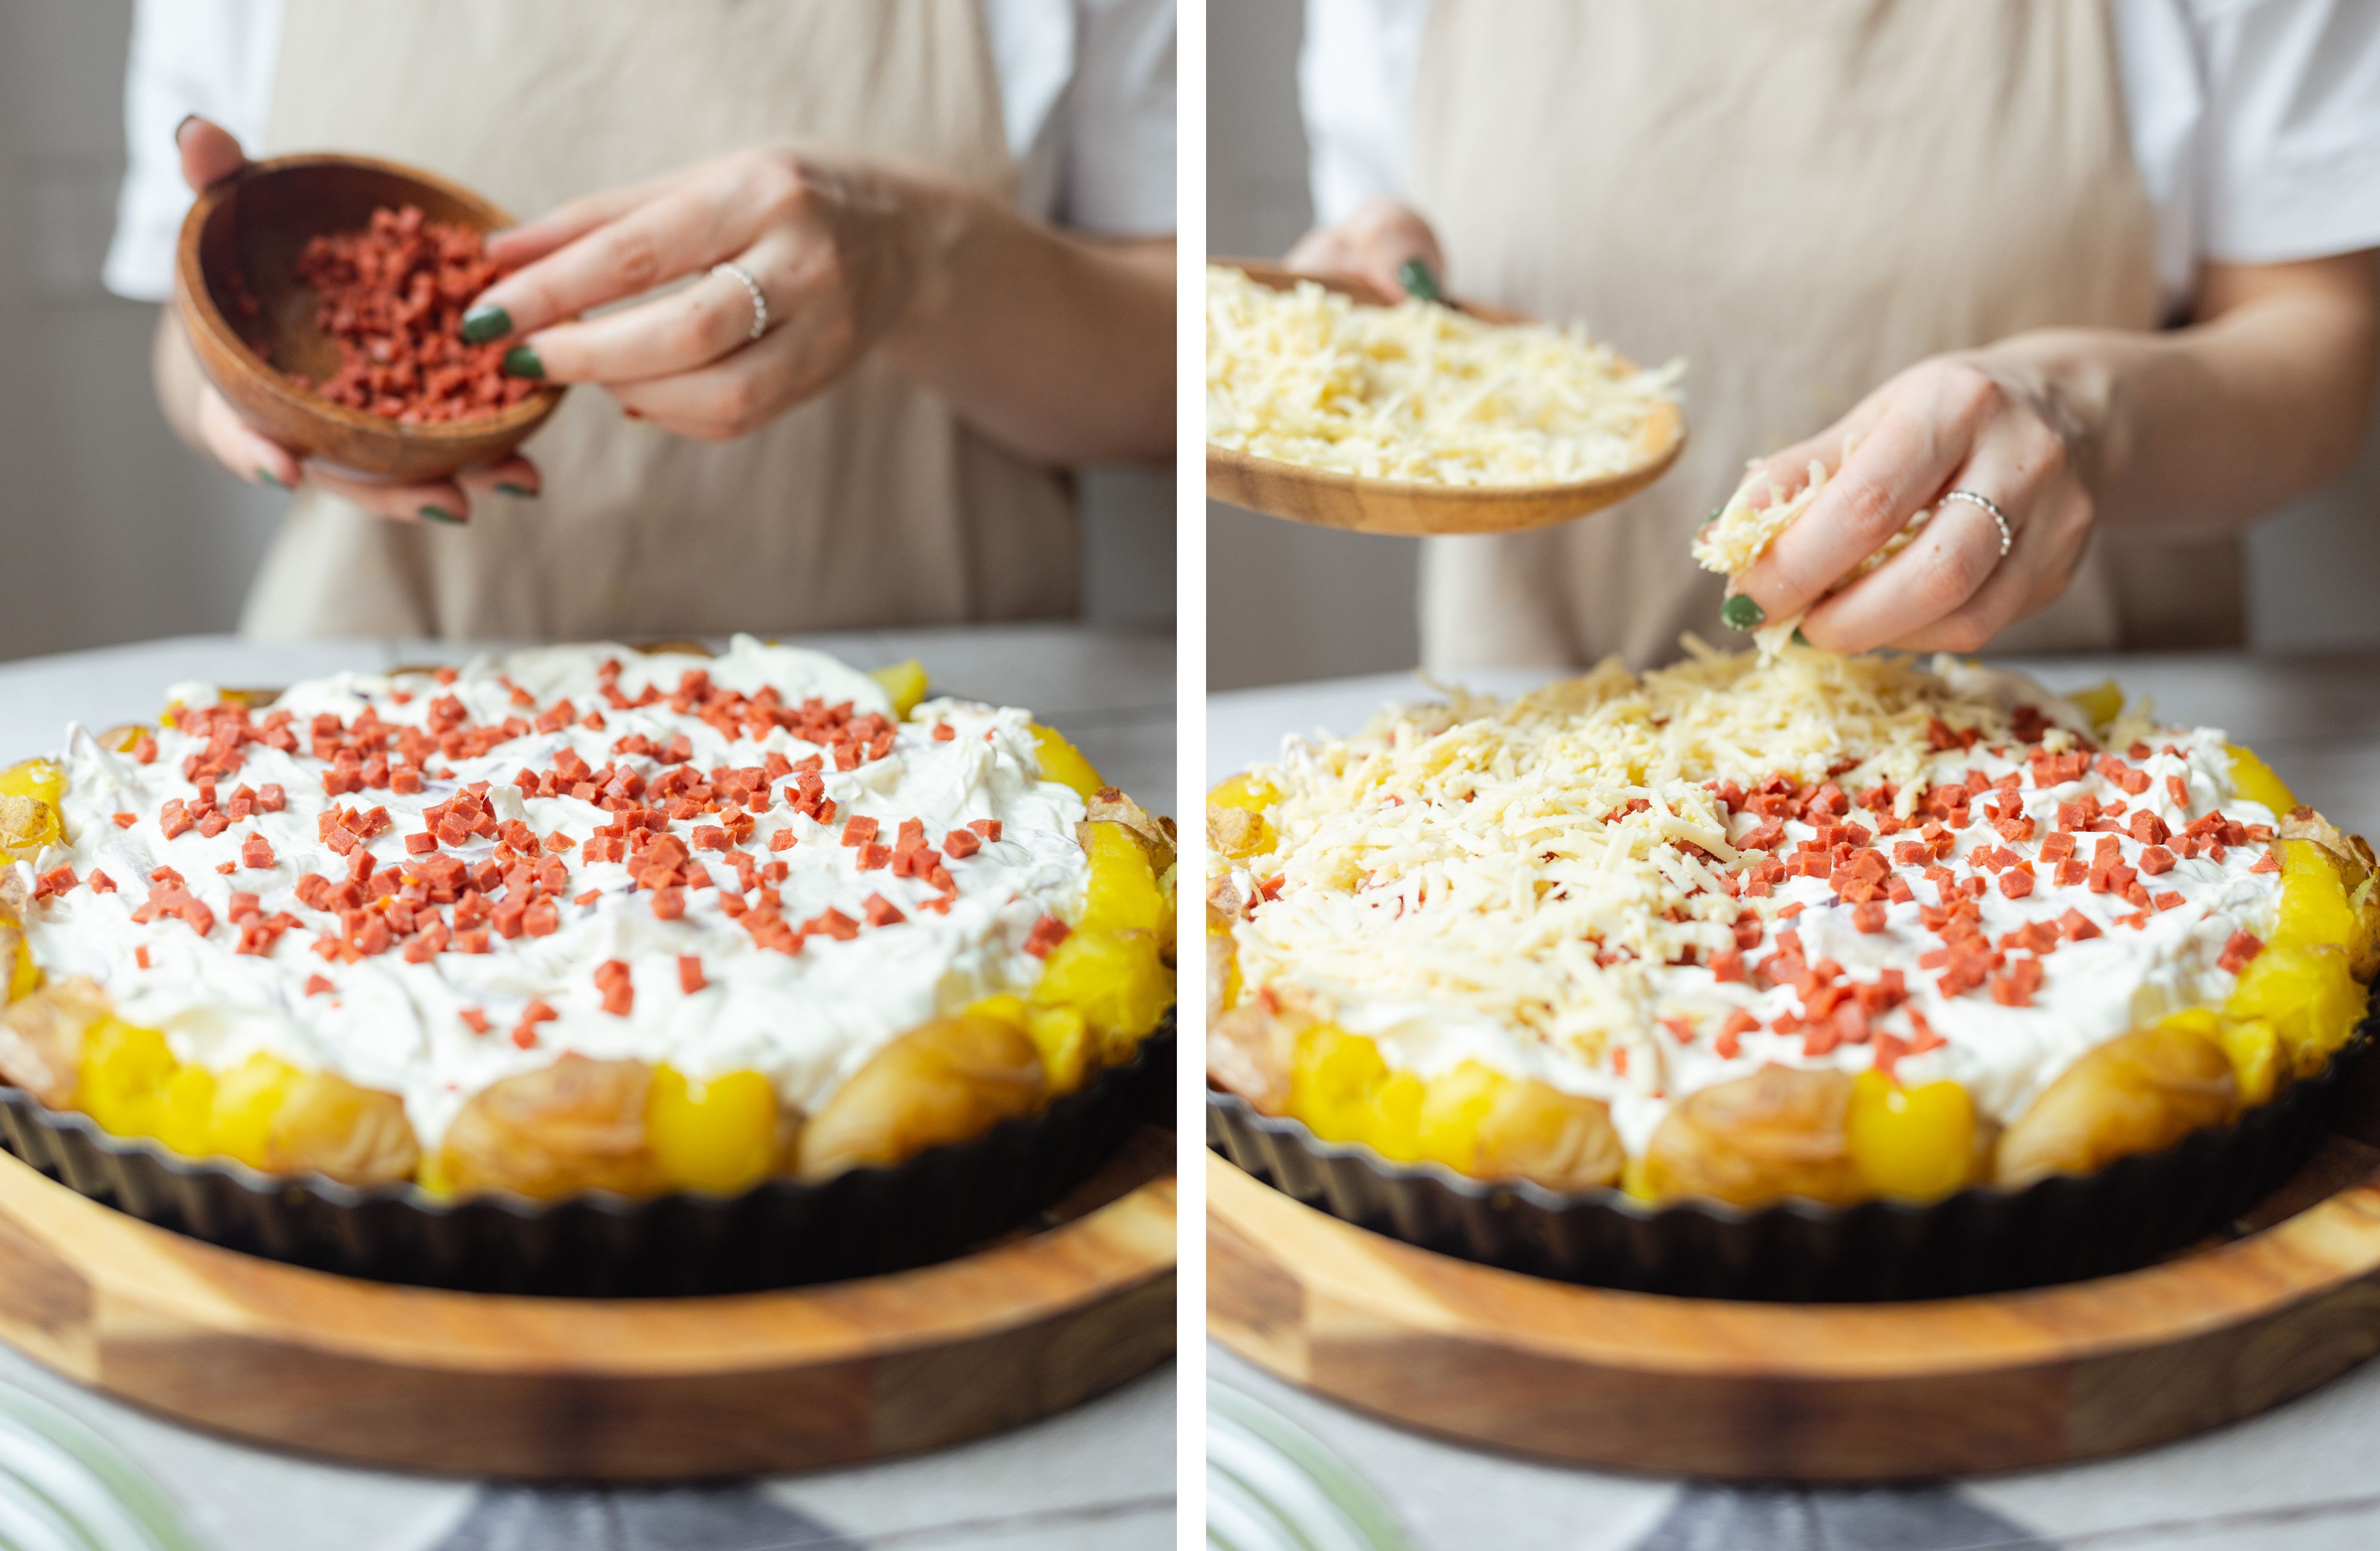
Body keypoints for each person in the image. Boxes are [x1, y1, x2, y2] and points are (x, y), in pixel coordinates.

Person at [1285, 0, 2380, 669]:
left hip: (2075, 789)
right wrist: (1361, 323)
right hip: (1523, 782)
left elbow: (2321, 342)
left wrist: (2081, 416)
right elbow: (1387, 285)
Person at [107, 0, 1175, 639]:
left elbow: (1183, 385)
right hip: (376, 738)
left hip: (928, 735)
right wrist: (247, 399)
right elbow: (182, 345)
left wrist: (921, 261)